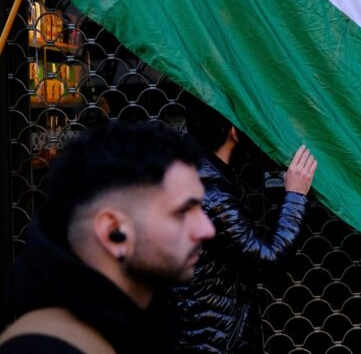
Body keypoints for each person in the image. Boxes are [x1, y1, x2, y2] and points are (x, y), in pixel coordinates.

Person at [0, 119, 215, 354]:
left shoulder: (138, 327)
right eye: (183, 211)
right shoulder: (43, 348)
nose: (207, 229)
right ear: (114, 231)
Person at [175, 103, 317, 353]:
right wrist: (296, 195)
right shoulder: (212, 196)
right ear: (233, 130)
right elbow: (267, 261)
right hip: (216, 344)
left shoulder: (192, 178)